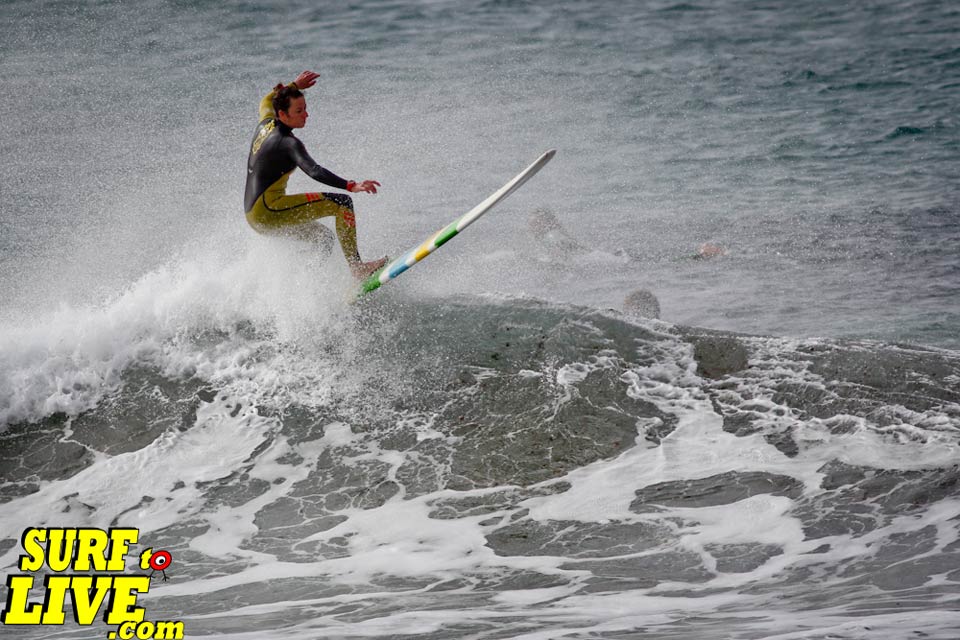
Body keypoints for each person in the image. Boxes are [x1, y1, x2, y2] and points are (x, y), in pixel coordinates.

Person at [244, 70, 386, 279]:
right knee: (342, 203)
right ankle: (357, 268)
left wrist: (294, 85)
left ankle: (307, 285)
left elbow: (266, 100)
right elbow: (314, 170)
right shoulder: (288, 143)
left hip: (255, 216)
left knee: (323, 239)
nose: (306, 115)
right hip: (267, 210)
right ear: (282, 114)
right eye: (299, 110)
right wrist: (351, 185)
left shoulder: (265, 122)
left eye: (305, 108)